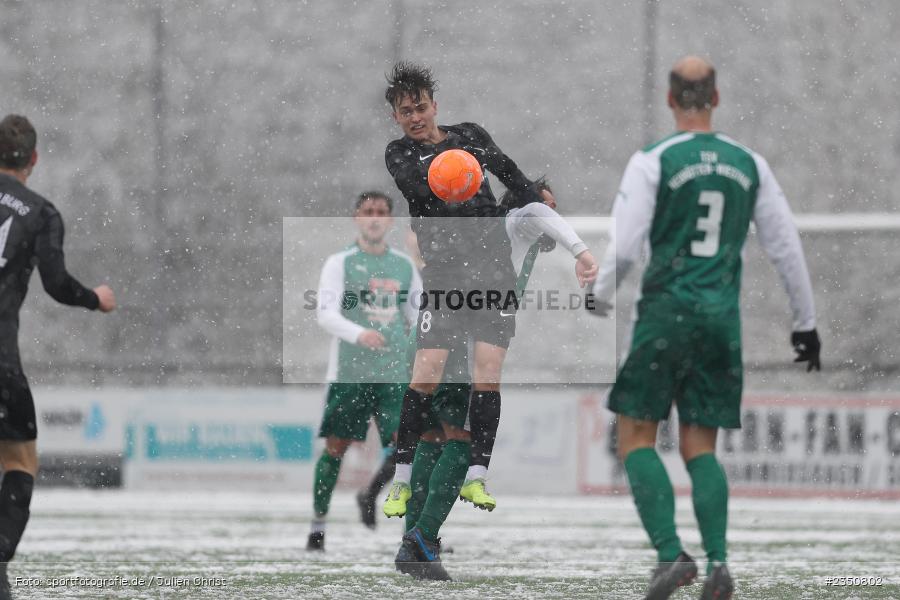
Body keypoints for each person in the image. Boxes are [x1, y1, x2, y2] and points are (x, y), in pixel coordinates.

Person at [587, 56, 820, 600]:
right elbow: (785, 244)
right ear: (715, 98)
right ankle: (718, 563)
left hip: (667, 312)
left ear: (671, 100)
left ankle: (672, 556)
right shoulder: (750, 163)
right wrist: (805, 323)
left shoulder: (654, 161)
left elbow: (623, 247)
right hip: (720, 319)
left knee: (635, 435)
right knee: (700, 448)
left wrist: (598, 296)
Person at [394, 178, 597, 580]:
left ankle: (415, 543)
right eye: (549, 206)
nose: (554, 215)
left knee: (434, 437)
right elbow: (537, 212)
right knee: (463, 437)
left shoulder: (490, 230)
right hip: (462, 342)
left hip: (437, 335)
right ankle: (421, 539)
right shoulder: (519, 219)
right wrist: (583, 253)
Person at [380, 60, 551, 520]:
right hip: (445, 276)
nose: (414, 117)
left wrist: (535, 200)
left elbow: (510, 174)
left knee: (488, 375)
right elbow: (430, 193)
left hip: (491, 271)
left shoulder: (470, 134)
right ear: (395, 117)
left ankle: (478, 475)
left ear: (435, 105)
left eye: (420, 107)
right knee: (426, 372)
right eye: (404, 112)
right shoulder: (398, 154)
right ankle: (398, 482)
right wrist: (460, 171)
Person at [0, 114, 116, 598]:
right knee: (20, 457)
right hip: (0, 360)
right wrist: (96, 297)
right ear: (34, 159)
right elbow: (56, 284)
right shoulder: (40, 212)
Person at [306, 190, 422, 551]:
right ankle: (317, 527)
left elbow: (419, 317)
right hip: (350, 373)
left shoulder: (404, 266)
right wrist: (360, 333)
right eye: (367, 211)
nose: (374, 218)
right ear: (356, 217)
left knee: (411, 448)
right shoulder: (340, 263)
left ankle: (418, 532)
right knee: (336, 449)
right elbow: (326, 313)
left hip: (392, 375)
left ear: (389, 221)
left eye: (381, 212)